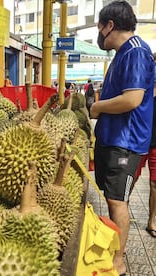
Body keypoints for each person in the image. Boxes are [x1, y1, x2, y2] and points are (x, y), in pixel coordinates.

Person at [90, 1, 155, 275]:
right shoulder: (122, 53)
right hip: (112, 138)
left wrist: (96, 107)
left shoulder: (137, 52)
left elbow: (131, 99)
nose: (98, 34)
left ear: (110, 25)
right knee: (113, 197)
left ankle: (118, 264)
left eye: (99, 28)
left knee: (118, 201)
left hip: (126, 143)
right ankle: (118, 245)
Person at [134, 53, 156, 239]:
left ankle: (152, 220)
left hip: (154, 143)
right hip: (139, 140)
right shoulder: (141, 87)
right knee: (130, 179)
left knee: (155, 182)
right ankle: (120, 214)